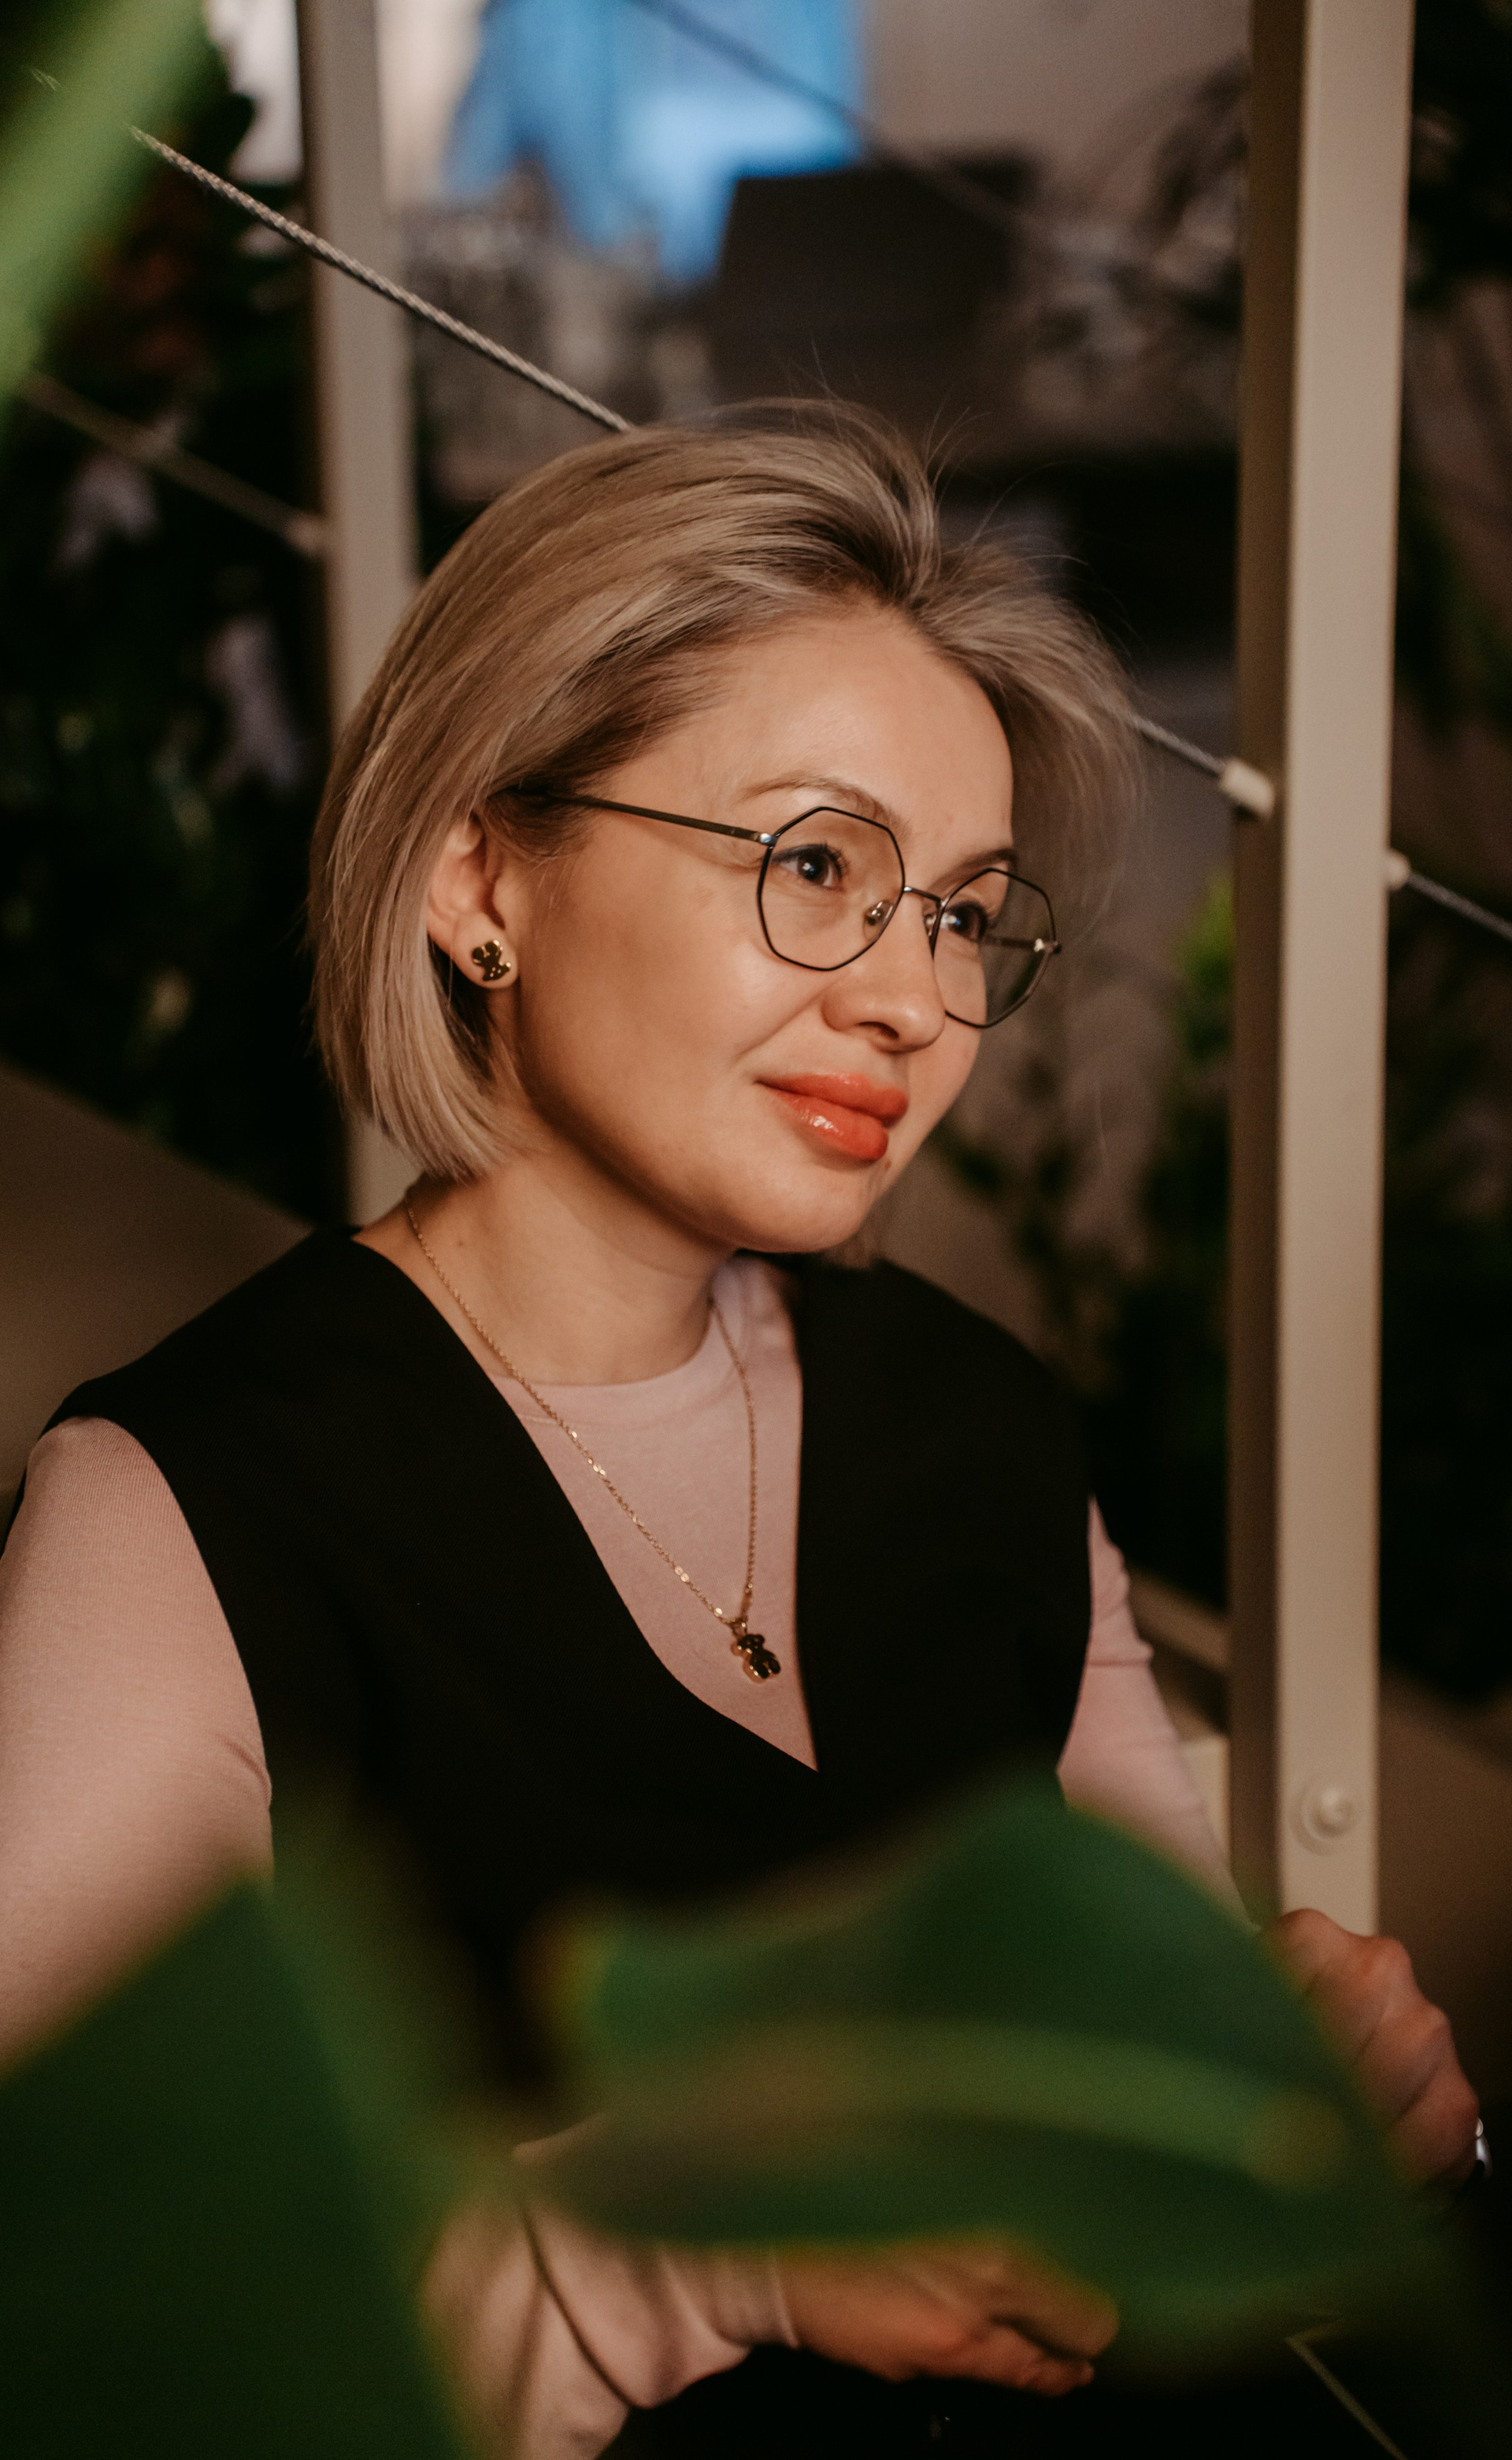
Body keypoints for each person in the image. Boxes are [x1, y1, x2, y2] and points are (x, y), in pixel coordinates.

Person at [0, 409, 1479, 2458]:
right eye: (816, 866)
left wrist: (1326, 2113)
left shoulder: (973, 1423)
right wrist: (720, 2254)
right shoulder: (176, 1509)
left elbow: (1151, 2138)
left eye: (961, 914)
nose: (915, 1003)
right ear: (480, 879)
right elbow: (99, 2346)